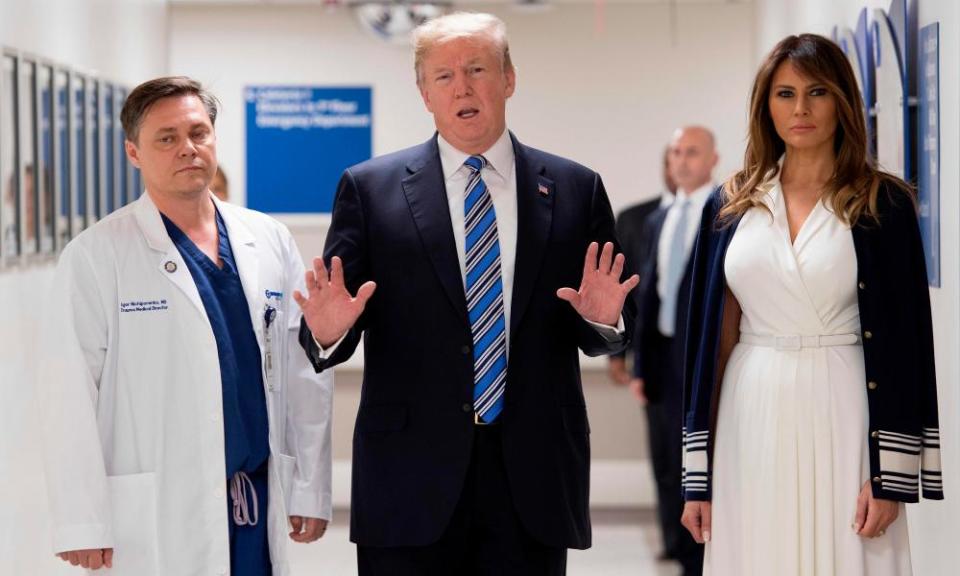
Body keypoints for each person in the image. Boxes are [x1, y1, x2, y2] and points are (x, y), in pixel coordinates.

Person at [294, 12, 638, 576]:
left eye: (478, 69)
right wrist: (327, 331)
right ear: (424, 92)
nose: (463, 87)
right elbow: (333, 328)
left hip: (533, 476)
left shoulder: (576, 188)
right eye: (444, 75)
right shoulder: (369, 189)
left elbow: (604, 329)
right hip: (408, 477)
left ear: (509, 78)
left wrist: (604, 323)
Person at [39, 76, 333, 575]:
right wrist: (81, 521)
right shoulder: (97, 255)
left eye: (198, 133)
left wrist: (310, 485)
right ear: (135, 153)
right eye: (167, 138)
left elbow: (300, 370)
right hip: (162, 507)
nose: (187, 149)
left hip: (255, 495)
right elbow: (66, 394)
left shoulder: (268, 238)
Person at [680, 34, 943, 575]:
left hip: (845, 404)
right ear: (765, 105)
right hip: (749, 409)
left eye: (816, 91)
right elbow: (709, 344)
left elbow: (909, 342)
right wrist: (697, 478)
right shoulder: (730, 205)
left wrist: (889, 474)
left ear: (841, 100)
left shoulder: (883, 203)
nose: (800, 109)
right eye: (784, 93)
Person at [632, 126, 716, 576]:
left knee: (698, 463)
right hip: (662, 359)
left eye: (692, 152)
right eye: (675, 153)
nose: (681, 161)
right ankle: (679, 551)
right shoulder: (659, 220)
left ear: (713, 158)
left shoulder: (726, 214)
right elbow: (649, 297)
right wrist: (639, 366)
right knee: (666, 459)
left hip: (703, 358)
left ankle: (703, 556)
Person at [606, 146, 675, 386]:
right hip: (650, 350)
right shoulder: (632, 219)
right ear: (665, 168)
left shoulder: (722, 215)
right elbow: (618, 285)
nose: (682, 166)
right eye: (674, 158)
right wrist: (616, 352)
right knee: (659, 424)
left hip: (704, 350)